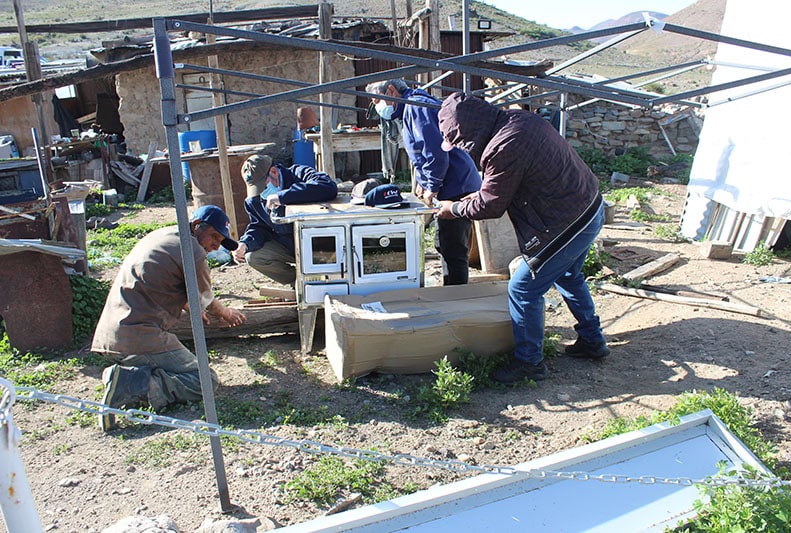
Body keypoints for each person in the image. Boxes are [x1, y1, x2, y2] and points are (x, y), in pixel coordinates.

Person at [435, 92, 610, 384]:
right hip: (589, 207)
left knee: (523, 289)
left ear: (469, 133)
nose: (462, 149)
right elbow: (507, 181)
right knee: (568, 276)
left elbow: (491, 206)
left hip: (566, 222)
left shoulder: (503, 146)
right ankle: (593, 340)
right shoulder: (519, 119)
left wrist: (453, 209)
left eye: (459, 142)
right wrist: (476, 196)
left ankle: (529, 363)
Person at [91, 205, 246, 430]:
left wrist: (189, 305)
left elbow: (159, 281)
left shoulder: (162, 235)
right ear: (196, 226)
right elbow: (206, 299)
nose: (216, 246)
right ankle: (136, 384)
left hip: (112, 331)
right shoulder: (193, 252)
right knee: (205, 381)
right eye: (214, 236)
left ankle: (129, 370)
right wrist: (227, 313)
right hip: (141, 335)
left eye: (220, 241)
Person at [365, 79, 481, 286]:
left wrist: (431, 186)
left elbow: (435, 153)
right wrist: (422, 181)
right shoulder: (412, 107)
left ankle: (457, 295)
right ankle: (451, 289)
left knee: (452, 247)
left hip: (456, 185)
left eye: (377, 101)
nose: (378, 107)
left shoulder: (416, 107)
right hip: (453, 182)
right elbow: (422, 153)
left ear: (391, 91)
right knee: (445, 243)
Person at [233, 160, 338, 285]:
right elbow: (260, 227)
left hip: (319, 244)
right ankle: (299, 282)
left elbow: (328, 186)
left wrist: (283, 197)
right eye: (257, 189)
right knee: (254, 257)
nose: (262, 193)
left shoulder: (299, 174)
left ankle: (322, 278)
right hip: (289, 245)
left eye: (264, 187)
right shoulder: (254, 200)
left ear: (274, 172)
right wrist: (245, 243)